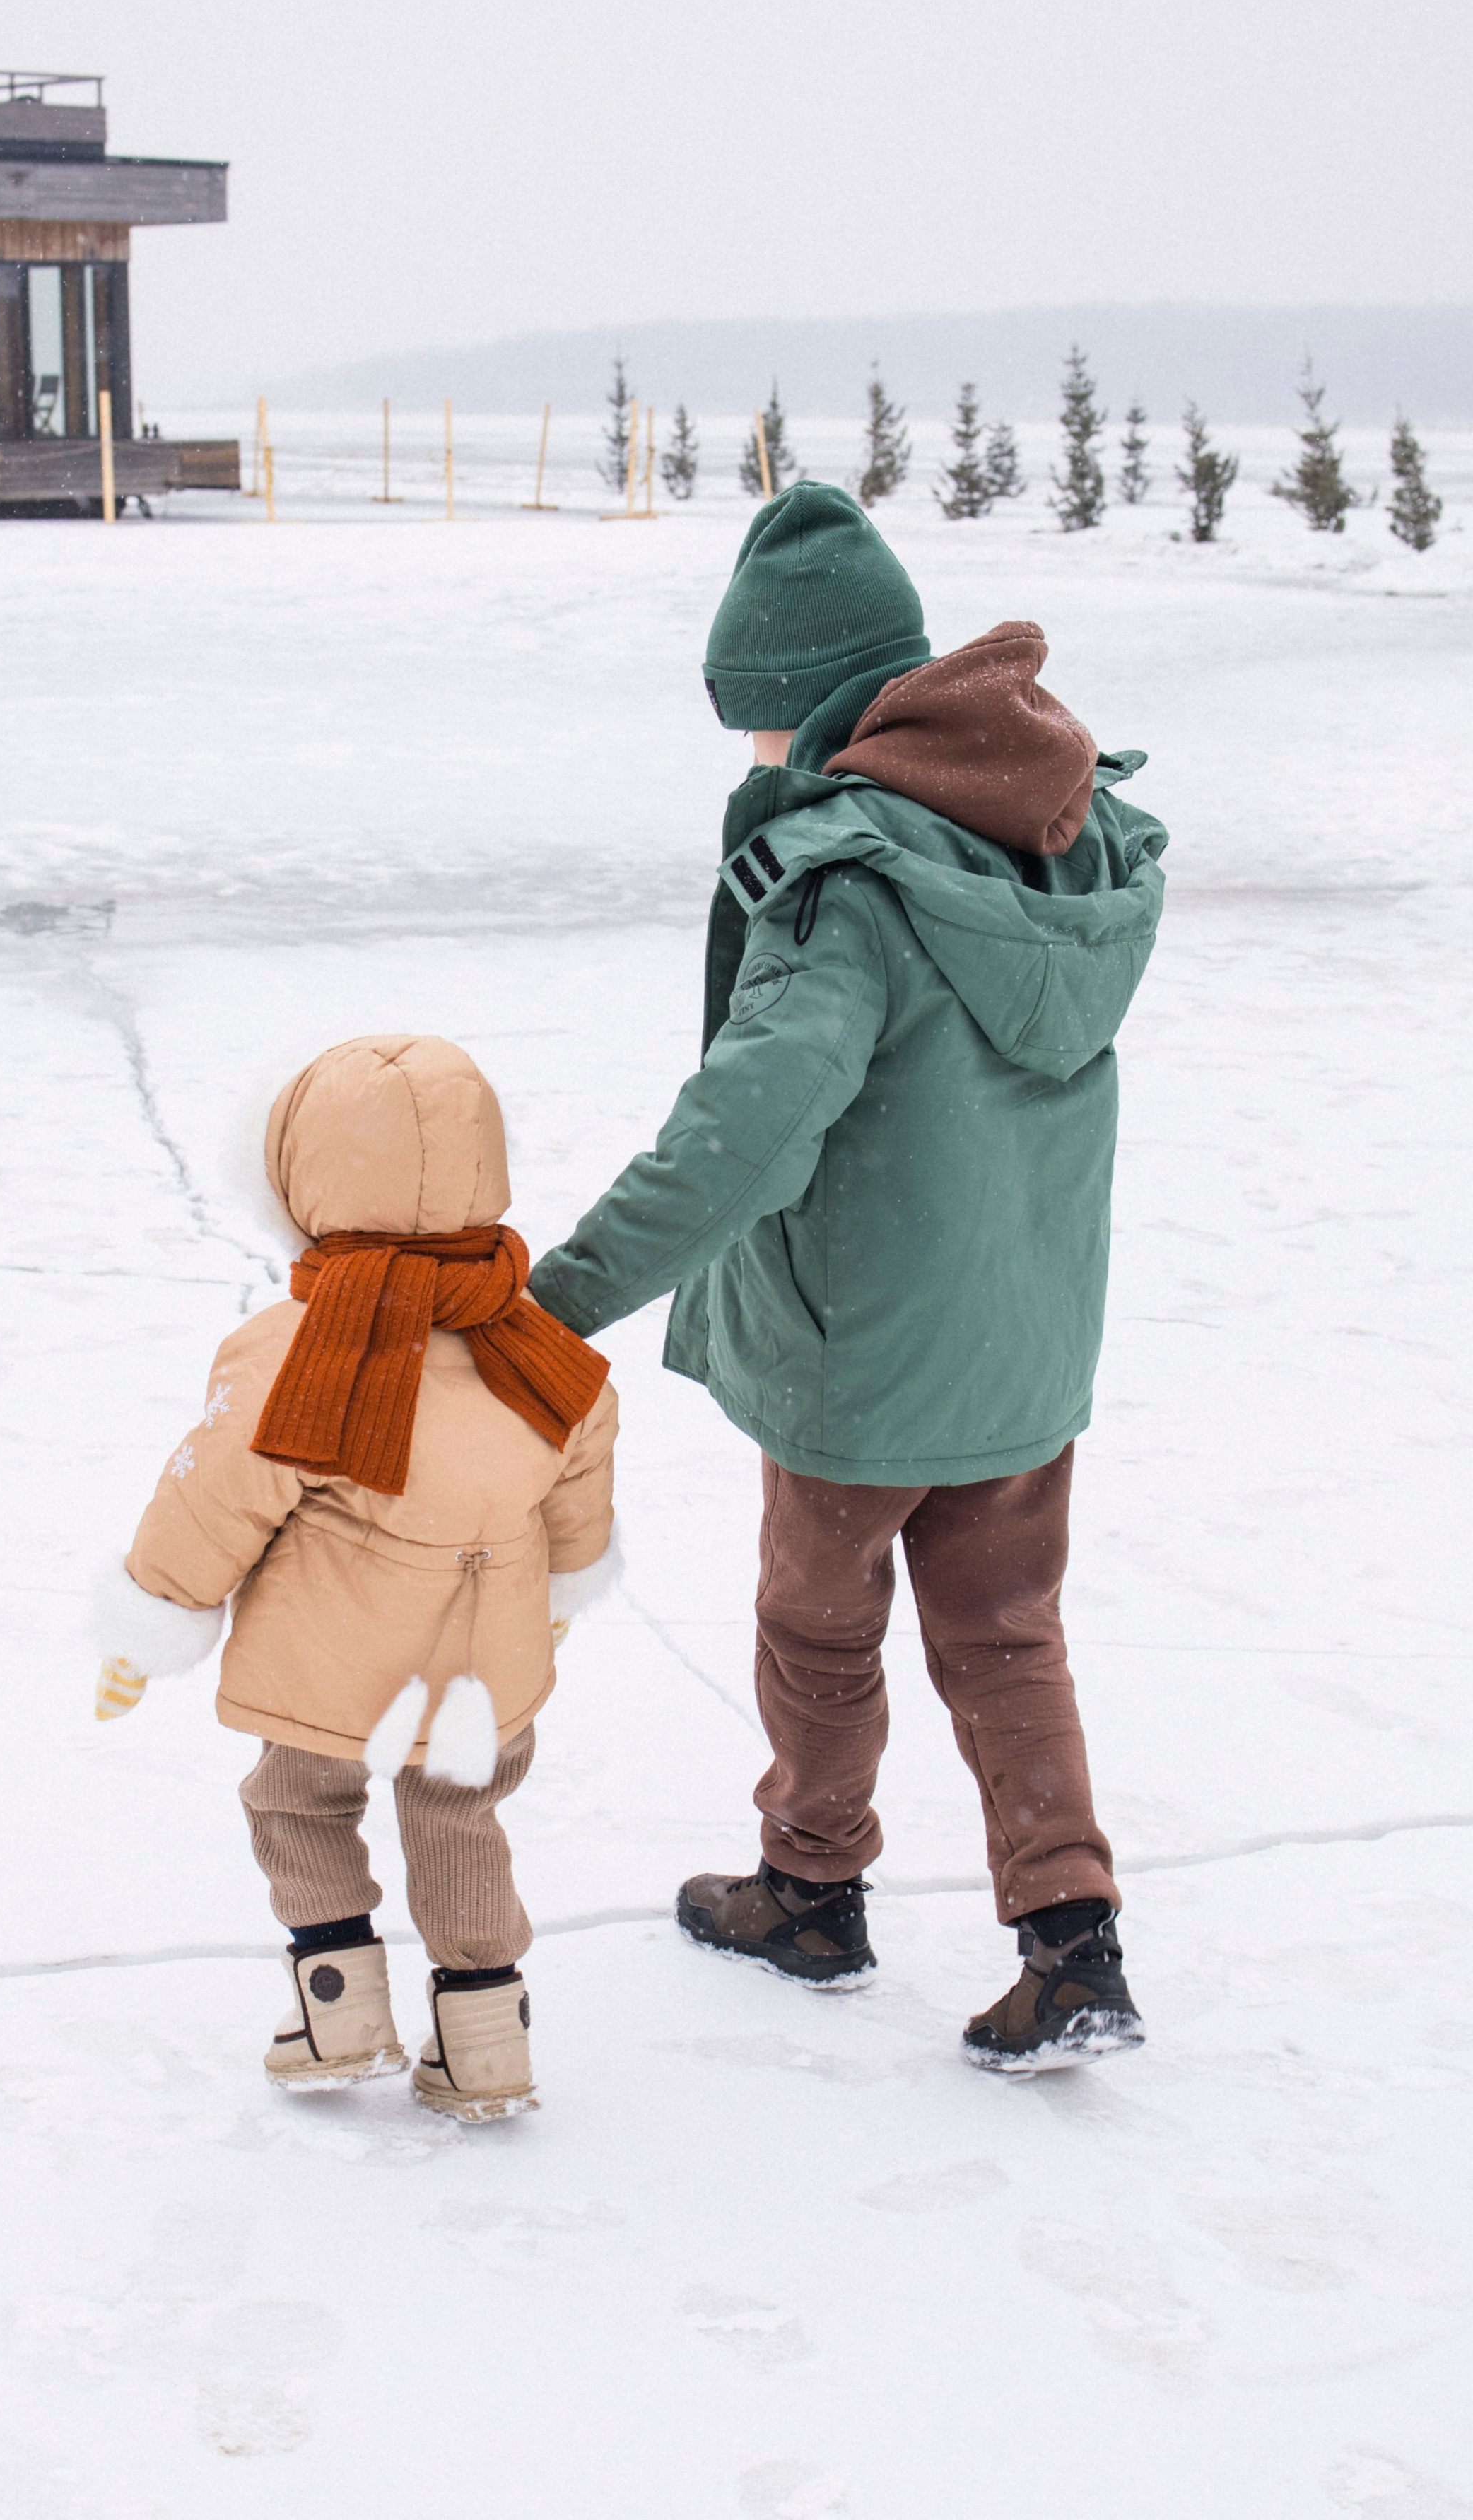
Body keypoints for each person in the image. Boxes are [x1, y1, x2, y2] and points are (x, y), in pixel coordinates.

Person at [528, 481, 1168, 2070]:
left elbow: (742, 1130)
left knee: (819, 1632)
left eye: (755, 727)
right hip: (1021, 1340)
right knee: (1008, 1629)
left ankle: (810, 1894)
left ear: (808, 706)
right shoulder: (1050, 836)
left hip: (855, 1360)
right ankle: (1071, 1943)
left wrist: (553, 1302)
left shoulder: (844, 886)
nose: (752, 762)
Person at [93, 1034, 619, 2120]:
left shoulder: (293, 1353)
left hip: (330, 1662)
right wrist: (560, 1597)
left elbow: (216, 1497)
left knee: (297, 1800)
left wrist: (154, 1620)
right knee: (460, 1818)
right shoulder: (539, 1352)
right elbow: (579, 1492)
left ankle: (336, 2008)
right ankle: (485, 2038)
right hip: (486, 1664)